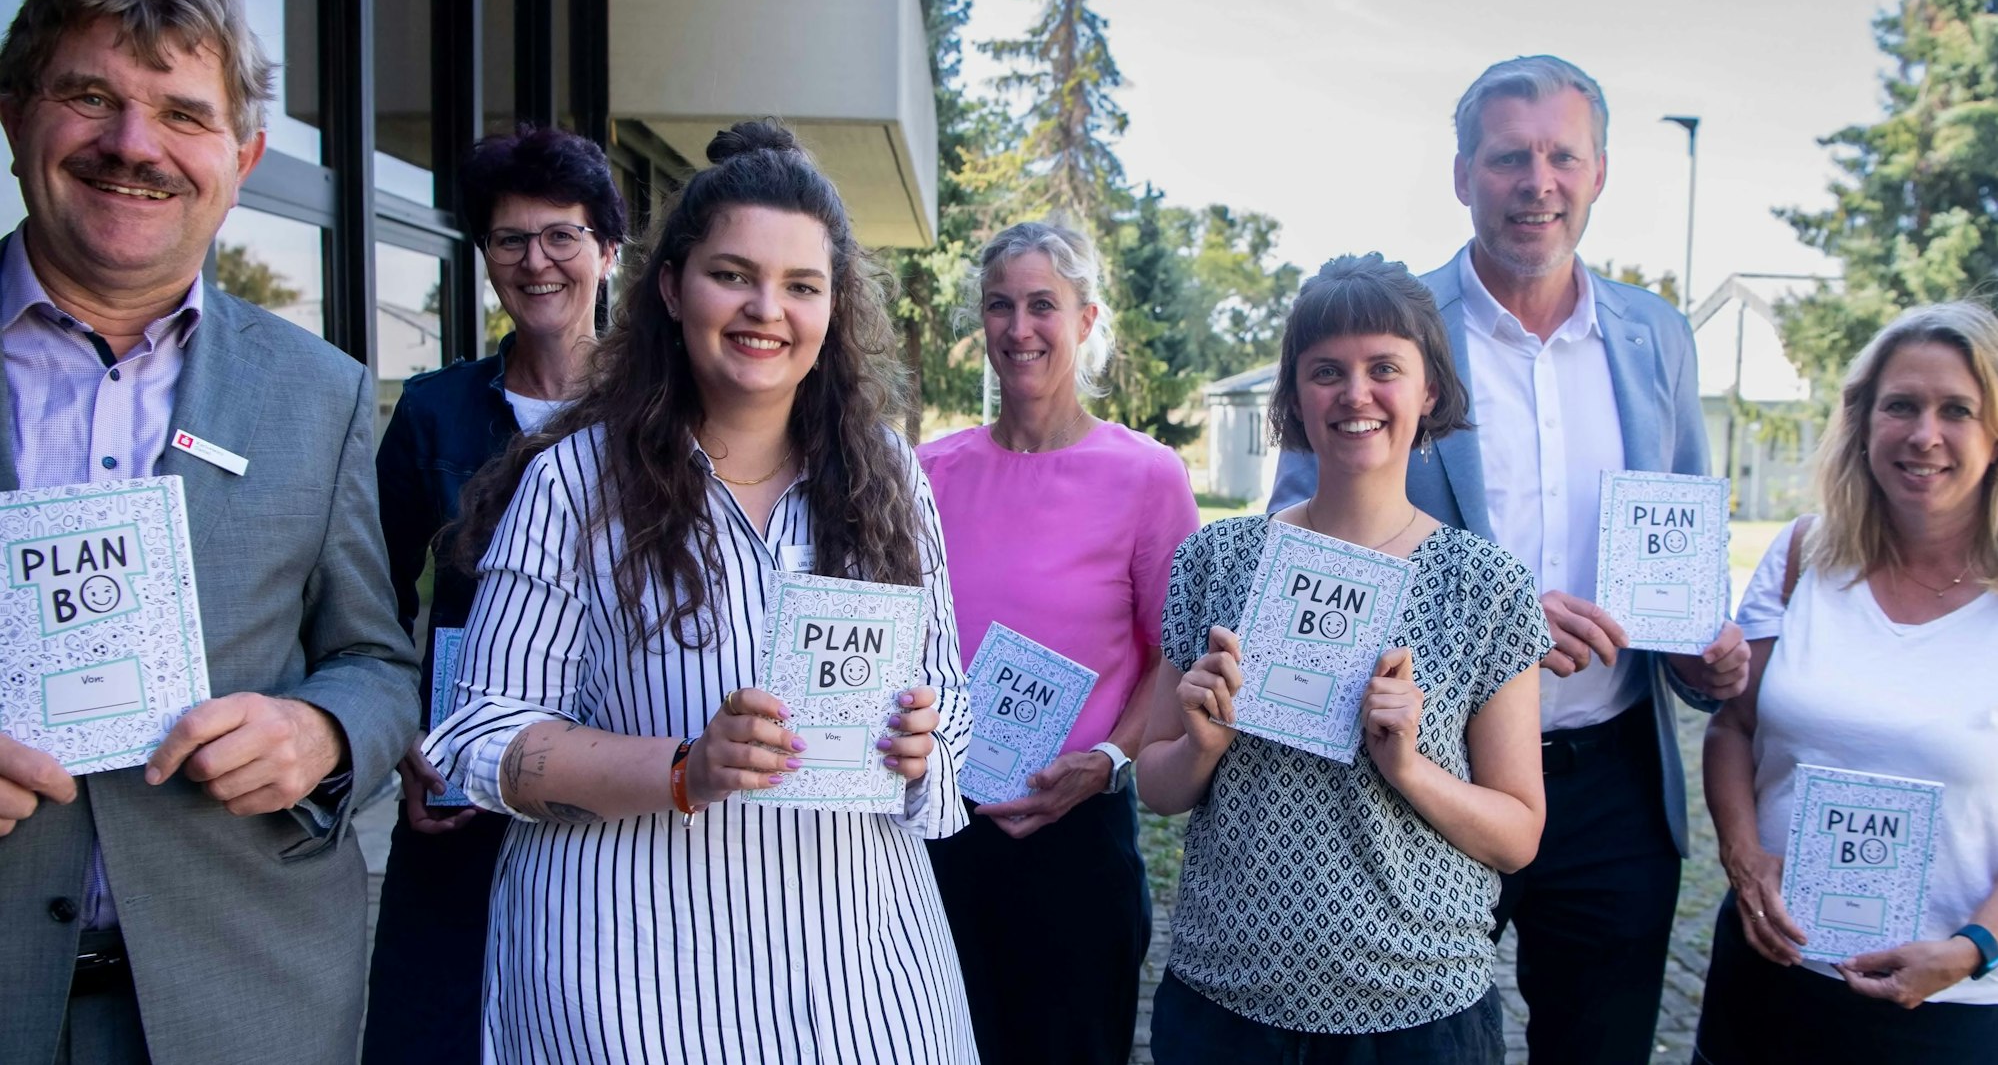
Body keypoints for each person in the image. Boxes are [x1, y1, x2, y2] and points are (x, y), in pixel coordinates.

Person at [422, 120, 978, 1063]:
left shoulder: (887, 475)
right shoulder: (575, 482)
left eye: (801, 285)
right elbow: (482, 739)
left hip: (860, 984)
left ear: (833, 309)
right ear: (673, 287)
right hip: (628, 991)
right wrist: (684, 769)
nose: (767, 308)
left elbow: (949, 700)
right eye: (733, 274)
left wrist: (923, 742)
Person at [1268, 55, 1749, 1063]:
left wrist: (1705, 649)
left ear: (1600, 172)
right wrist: (1503, 617)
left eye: (1561, 155)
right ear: (1462, 176)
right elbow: (1299, 540)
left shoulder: (1656, 336)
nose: (1538, 181)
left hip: (1614, 771)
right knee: (1413, 1039)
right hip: (1429, 772)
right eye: (1508, 157)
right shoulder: (1392, 325)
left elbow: (1686, 541)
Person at [0, 0, 419, 1062]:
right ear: (14, 116)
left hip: (247, 994)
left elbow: (378, 663)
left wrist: (321, 732)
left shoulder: (318, 390)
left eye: (181, 114)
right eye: (90, 95)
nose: (133, 145)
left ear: (242, 156)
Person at [1137, 253, 1549, 1063]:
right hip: (1228, 999)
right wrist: (1201, 743)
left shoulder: (1485, 585)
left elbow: (1518, 834)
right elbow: (1157, 784)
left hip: (1417, 1010)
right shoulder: (1218, 562)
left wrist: (1410, 767)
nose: (1356, 394)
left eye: (1384, 368)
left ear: (1428, 389)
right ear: (1293, 397)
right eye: (1327, 371)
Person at [363, 126, 625, 1065]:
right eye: (509, 240)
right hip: (459, 771)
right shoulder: (433, 411)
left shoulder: (661, 412)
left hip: (614, 763)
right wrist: (403, 749)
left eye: (561, 235)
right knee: (437, 1017)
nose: (535, 261)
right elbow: (373, 601)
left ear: (607, 249)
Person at [919, 220, 1199, 1064]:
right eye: (1000, 306)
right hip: (936, 833)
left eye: (1044, 305)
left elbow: (1171, 655)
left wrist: (1110, 760)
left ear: (1086, 319)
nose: (1018, 328)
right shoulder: (927, 471)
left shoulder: (1147, 476)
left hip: (1074, 835)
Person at [1694, 301, 1998, 1062]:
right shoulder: (1805, 555)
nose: (1924, 435)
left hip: (1946, 1004)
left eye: (1956, 410)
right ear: (1863, 422)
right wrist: (1740, 853)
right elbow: (1734, 726)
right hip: (1773, 976)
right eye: (1900, 406)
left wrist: (1971, 948)